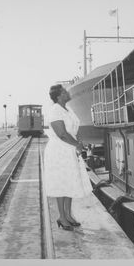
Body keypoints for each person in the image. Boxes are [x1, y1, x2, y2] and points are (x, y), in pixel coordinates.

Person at [44, 84, 92, 231]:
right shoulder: (55, 111)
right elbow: (62, 134)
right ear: (59, 96)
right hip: (59, 150)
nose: (68, 92)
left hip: (69, 149)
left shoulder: (67, 109)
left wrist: (77, 144)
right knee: (61, 182)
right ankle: (62, 217)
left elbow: (73, 129)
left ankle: (68, 215)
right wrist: (77, 144)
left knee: (69, 182)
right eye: (65, 91)